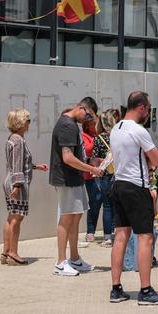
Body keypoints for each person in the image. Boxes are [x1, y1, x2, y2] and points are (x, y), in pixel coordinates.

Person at [108, 91, 158, 306]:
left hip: (118, 185)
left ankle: (116, 288)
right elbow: (157, 160)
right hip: (136, 187)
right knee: (145, 237)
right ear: (141, 107)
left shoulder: (115, 128)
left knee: (121, 236)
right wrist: (153, 155)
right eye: (149, 107)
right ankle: (145, 290)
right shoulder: (139, 130)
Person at [50, 98, 104, 277]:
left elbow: (74, 156)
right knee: (66, 218)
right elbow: (67, 158)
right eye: (88, 115)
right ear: (81, 108)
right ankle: (60, 262)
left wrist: (90, 162)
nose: (88, 119)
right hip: (67, 179)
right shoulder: (67, 125)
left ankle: (74, 258)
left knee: (75, 216)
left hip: (75, 178)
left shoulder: (71, 124)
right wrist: (92, 169)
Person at [1, 108, 48, 266]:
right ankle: (13, 253)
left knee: (11, 217)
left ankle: (6, 252)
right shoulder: (19, 141)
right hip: (17, 182)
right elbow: (17, 165)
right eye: (28, 120)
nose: (29, 123)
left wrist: (35, 167)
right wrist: (18, 185)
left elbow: (19, 162)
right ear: (21, 123)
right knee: (17, 218)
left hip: (10, 180)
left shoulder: (12, 139)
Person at [85, 109, 117, 248]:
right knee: (117, 205)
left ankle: (107, 237)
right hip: (119, 174)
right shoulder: (118, 136)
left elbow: (94, 159)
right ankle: (119, 232)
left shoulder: (99, 139)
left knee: (107, 206)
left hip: (104, 176)